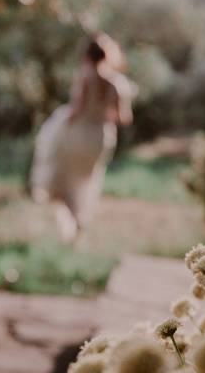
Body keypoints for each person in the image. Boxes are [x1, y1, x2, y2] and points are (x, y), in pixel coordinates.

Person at [29, 34, 134, 242]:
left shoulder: (86, 77)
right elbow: (124, 118)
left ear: (86, 56)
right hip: (100, 138)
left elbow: (76, 110)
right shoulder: (117, 83)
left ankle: (75, 219)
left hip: (78, 134)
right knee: (85, 180)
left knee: (59, 179)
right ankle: (79, 220)